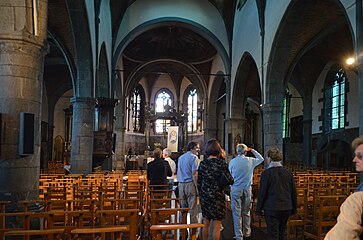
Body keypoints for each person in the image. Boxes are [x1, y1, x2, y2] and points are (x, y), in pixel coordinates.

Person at [256, 147, 297, 240]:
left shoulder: (266, 174)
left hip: (271, 208)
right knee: (283, 232)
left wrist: (258, 210)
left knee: (273, 234)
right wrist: (294, 208)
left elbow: (262, 193)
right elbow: (293, 192)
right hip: (286, 207)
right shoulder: (288, 173)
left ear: (269, 159)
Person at [197, 139, 233, 240]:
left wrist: (201, 194)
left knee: (205, 223)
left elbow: (199, 181)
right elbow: (230, 180)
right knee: (217, 225)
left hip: (205, 195)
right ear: (218, 150)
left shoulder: (203, 164)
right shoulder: (222, 164)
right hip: (218, 195)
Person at [229, 143, 264, 240]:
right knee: (246, 212)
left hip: (236, 189)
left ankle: (239, 236)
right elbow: (261, 159)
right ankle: (247, 233)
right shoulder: (250, 160)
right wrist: (252, 150)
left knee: (237, 213)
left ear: (237, 151)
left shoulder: (233, 162)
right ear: (245, 151)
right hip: (247, 189)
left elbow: (230, 175)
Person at [177, 141, 200, 231]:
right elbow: (194, 174)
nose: (198, 149)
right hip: (190, 184)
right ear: (192, 148)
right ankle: (193, 233)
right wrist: (197, 188)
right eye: (197, 147)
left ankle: (182, 231)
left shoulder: (181, 157)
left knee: (183, 209)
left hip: (181, 185)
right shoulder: (194, 157)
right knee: (193, 210)